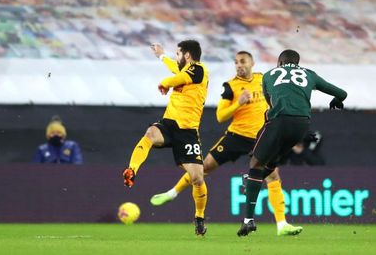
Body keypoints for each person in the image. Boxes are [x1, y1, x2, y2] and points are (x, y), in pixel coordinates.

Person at [150, 51, 303, 236]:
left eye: (243, 61)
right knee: (204, 166)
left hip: (260, 136)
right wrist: (238, 103)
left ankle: (282, 225)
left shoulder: (264, 79)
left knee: (273, 176)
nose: (239, 65)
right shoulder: (230, 86)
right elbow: (220, 116)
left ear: (252, 63)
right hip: (236, 136)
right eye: (236, 62)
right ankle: (172, 193)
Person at [237, 49, 346, 236]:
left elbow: (271, 103)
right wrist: (336, 100)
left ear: (279, 62)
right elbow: (341, 93)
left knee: (255, 164)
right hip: (301, 126)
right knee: (270, 163)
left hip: (279, 121)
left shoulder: (269, 75)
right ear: (297, 62)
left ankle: (248, 220)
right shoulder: (309, 74)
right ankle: (256, 180)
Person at [122, 40, 209, 236]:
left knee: (197, 177)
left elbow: (175, 78)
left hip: (188, 132)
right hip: (169, 124)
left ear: (187, 56)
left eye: (178, 54)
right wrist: (161, 56)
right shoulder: (183, 71)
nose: (176, 57)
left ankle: (199, 217)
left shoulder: (200, 70)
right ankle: (132, 169)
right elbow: (175, 69)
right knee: (150, 134)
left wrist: (164, 83)